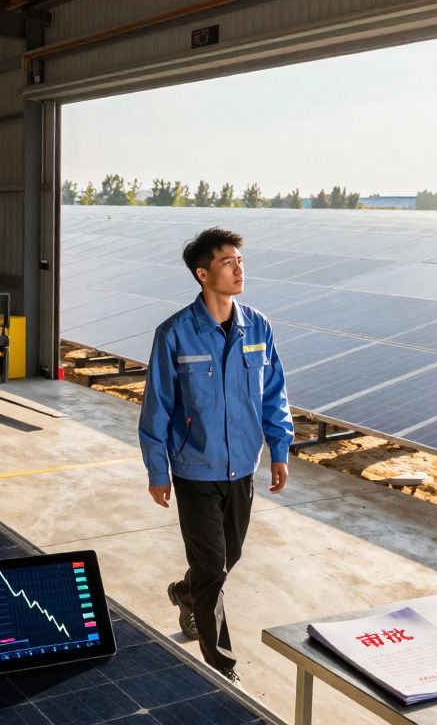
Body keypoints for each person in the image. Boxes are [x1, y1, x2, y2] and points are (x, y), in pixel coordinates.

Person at [137, 226, 295, 683]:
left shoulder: (258, 327)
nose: (239, 268)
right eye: (228, 262)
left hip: (242, 467)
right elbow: (158, 405)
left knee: (228, 558)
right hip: (194, 469)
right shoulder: (175, 334)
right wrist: (157, 469)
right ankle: (221, 669)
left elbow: (274, 394)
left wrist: (279, 449)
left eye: (240, 261)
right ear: (203, 274)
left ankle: (186, 594)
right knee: (212, 565)